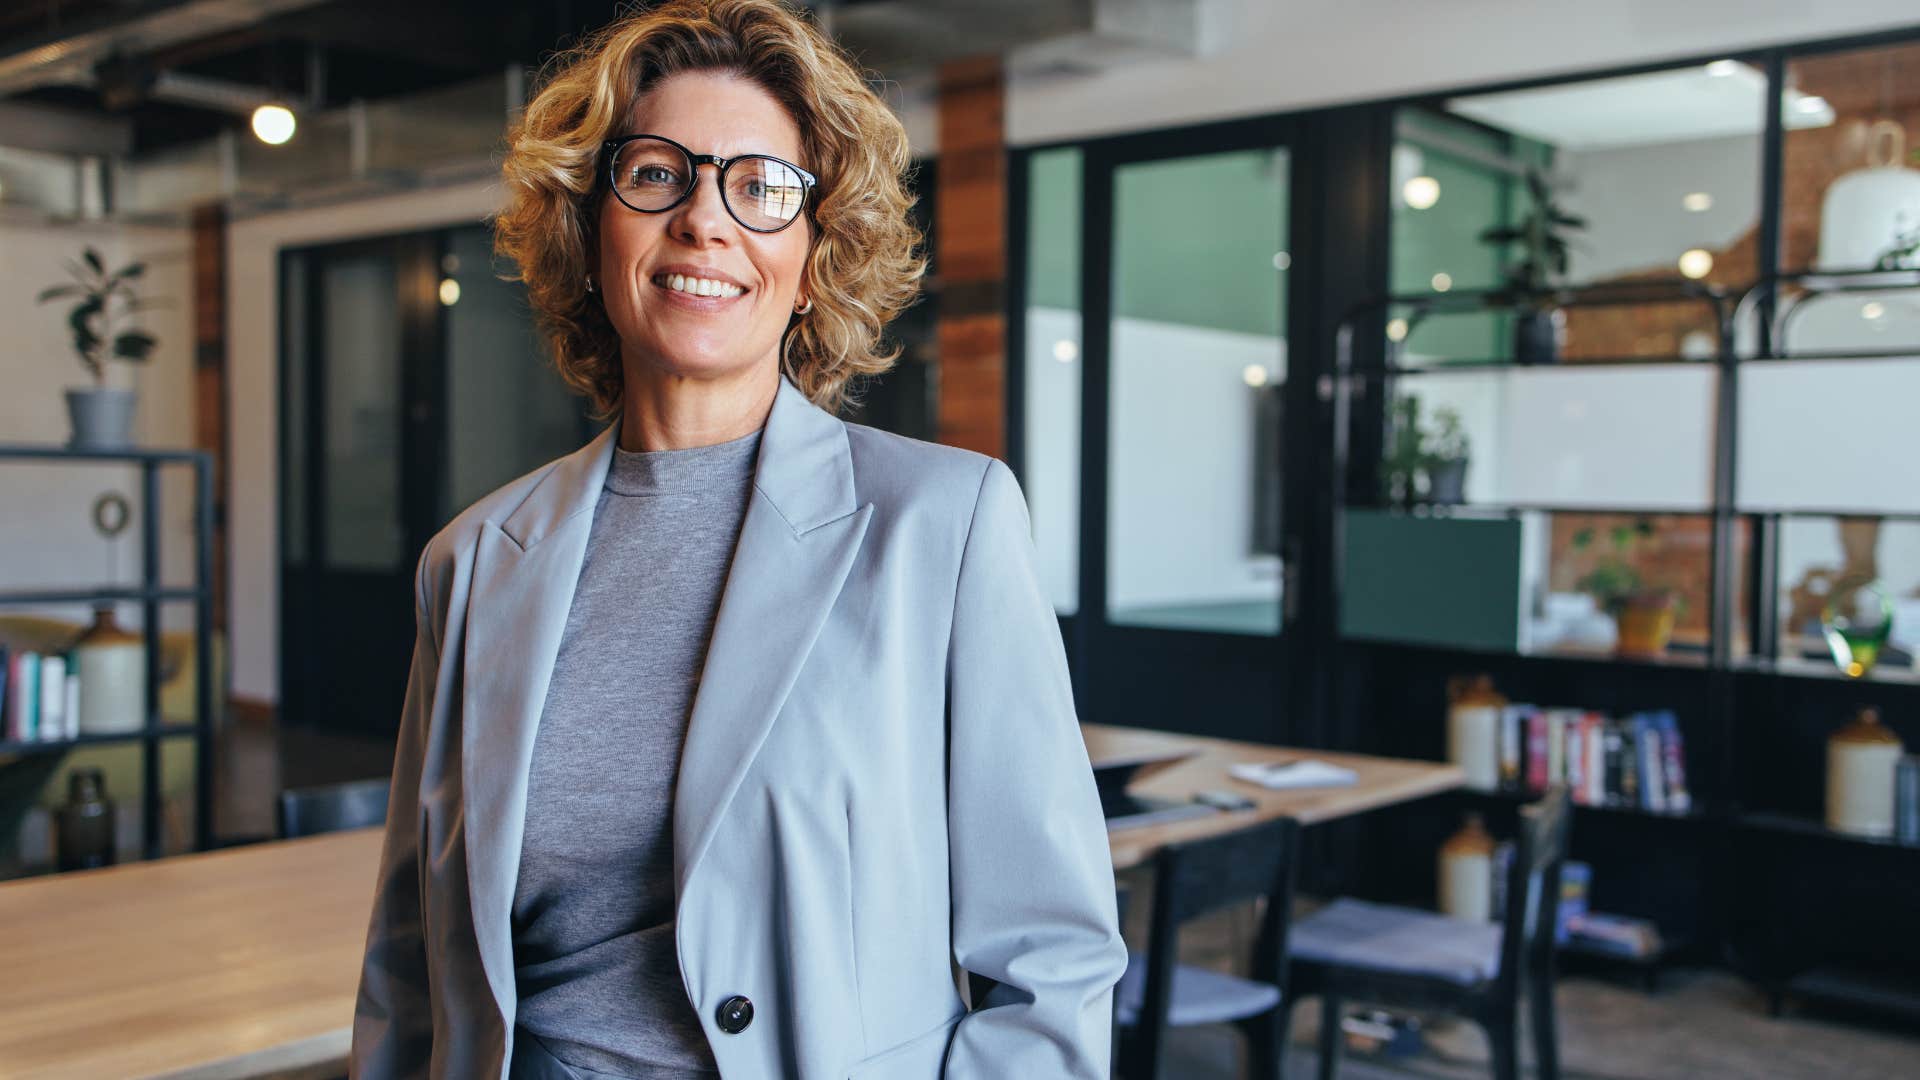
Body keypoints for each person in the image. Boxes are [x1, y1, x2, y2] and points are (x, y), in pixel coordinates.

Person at [348, 2, 1126, 1078]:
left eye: (762, 188)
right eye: (658, 174)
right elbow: (409, 966)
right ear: (590, 228)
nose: (705, 221)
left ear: (813, 260)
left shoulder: (943, 527)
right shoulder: (475, 561)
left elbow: (1053, 957)